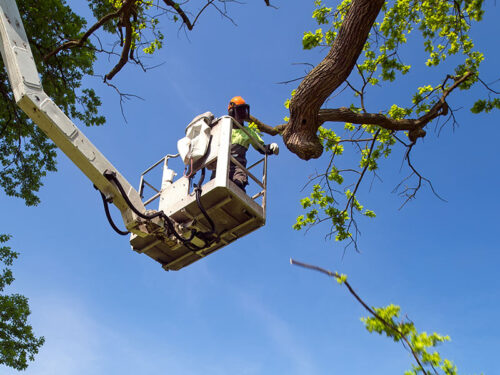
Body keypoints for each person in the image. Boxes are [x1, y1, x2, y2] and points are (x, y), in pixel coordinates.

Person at [225, 96, 279, 192]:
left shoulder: (248, 132)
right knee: (216, 185)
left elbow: (261, 148)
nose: (242, 115)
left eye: (243, 112)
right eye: (240, 111)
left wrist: (270, 147)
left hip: (238, 166)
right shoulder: (224, 126)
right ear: (232, 112)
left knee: (238, 185)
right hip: (222, 165)